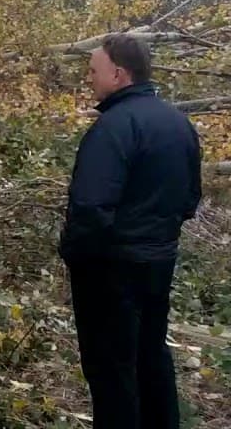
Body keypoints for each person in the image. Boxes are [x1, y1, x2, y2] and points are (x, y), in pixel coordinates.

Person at [61, 33, 201, 429]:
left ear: (118, 74)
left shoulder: (114, 129)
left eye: (93, 70)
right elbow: (190, 198)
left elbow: (90, 206)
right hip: (159, 262)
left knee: (112, 370)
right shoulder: (178, 123)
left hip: (110, 269)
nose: (89, 78)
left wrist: (76, 255)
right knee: (151, 356)